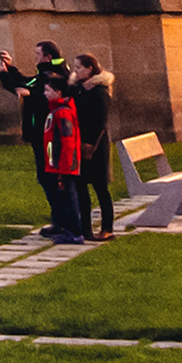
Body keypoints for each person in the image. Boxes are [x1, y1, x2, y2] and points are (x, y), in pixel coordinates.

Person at [67, 54, 118, 240]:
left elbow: (100, 121)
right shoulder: (78, 89)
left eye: (79, 67)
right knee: (81, 187)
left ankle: (107, 228)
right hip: (78, 142)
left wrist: (89, 144)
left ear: (89, 69)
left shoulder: (99, 91)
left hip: (95, 145)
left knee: (100, 187)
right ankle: (85, 228)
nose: (75, 71)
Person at [33, 80, 89, 241]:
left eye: (48, 90)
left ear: (58, 93)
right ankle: (65, 228)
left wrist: (63, 168)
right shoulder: (55, 110)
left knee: (68, 198)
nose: (45, 94)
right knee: (62, 197)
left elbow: (67, 140)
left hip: (64, 165)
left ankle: (74, 232)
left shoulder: (63, 113)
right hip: (56, 163)